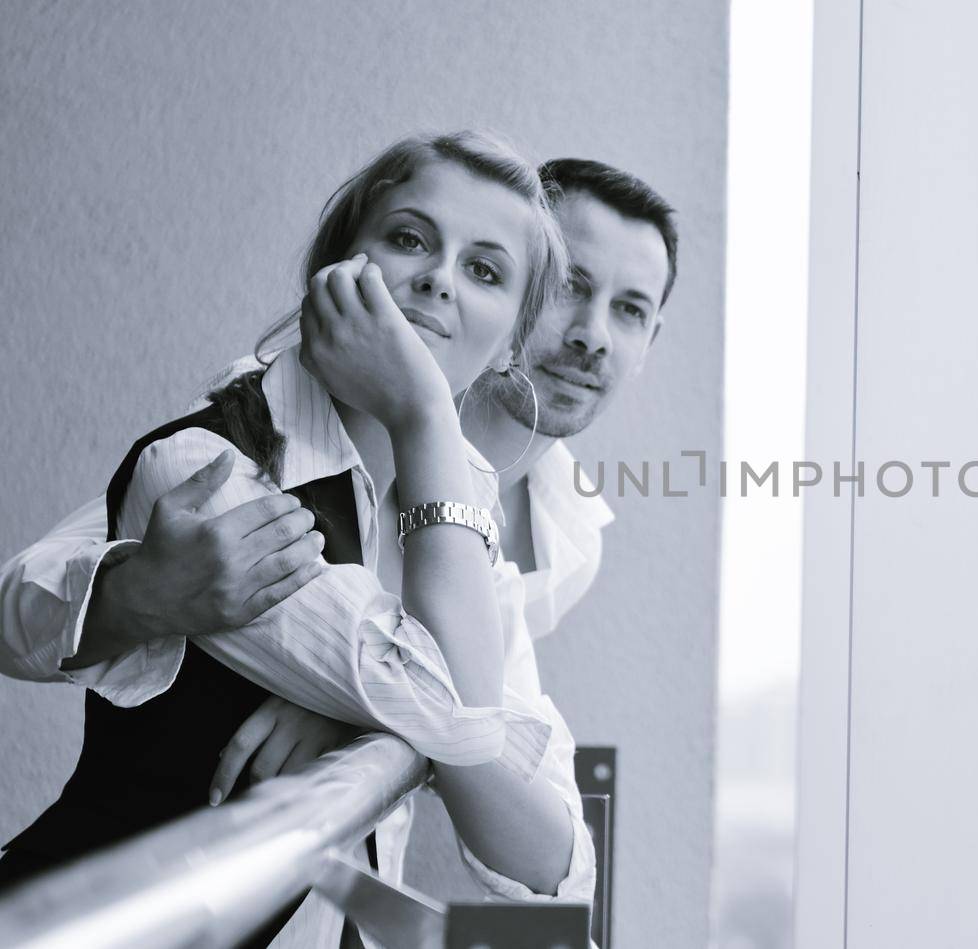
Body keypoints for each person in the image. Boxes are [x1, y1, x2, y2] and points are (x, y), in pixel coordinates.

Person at [0, 131, 605, 947]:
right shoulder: (204, 465)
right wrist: (423, 411)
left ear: (509, 347)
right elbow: (463, 721)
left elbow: (553, 864)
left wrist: (375, 722)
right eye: (409, 238)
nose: (437, 278)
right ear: (337, 265)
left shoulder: (469, 529)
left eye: (485, 270)